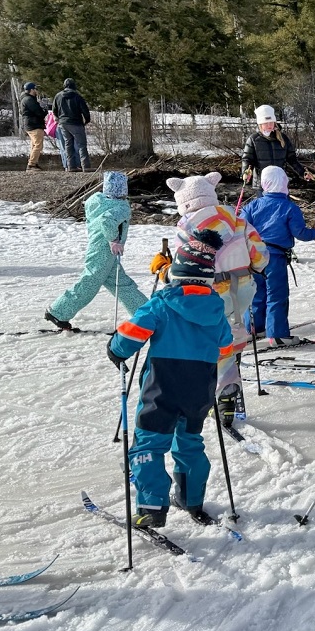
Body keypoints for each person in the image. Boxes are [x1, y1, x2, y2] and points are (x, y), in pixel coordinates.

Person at [107, 225, 235, 526]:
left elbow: (131, 334)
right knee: (189, 441)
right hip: (199, 387)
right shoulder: (215, 309)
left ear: (176, 273)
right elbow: (226, 346)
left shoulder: (163, 303)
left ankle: (152, 506)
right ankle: (191, 498)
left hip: (162, 386)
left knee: (149, 444)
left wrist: (115, 349)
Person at [162, 172, 269, 430]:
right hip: (242, 288)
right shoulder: (239, 221)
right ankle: (229, 370)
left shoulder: (187, 227)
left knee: (210, 339)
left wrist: (163, 269)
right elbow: (260, 256)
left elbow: (182, 272)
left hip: (208, 293)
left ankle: (222, 388)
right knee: (231, 330)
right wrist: (251, 267)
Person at [45, 171, 148, 330]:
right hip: (104, 251)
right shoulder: (121, 206)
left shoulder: (96, 200)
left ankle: (147, 313)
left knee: (121, 284)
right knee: (90, 283)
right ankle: (58, 312)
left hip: (98, 248)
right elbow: (107, 220)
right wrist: (114, 240)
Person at [241, 166, 315, 347]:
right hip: (275, 257)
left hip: (254, 256)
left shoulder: (252, 206)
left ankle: (253, 329)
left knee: (255, 292)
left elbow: (240, 228)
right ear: (283, 183)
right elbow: (300, 233)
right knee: (276, 294)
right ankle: (278, 334)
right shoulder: (289, 207)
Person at [241, 105, 312, 182]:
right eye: (266, 123)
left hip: (280, 182)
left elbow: (292, 159)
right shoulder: (253, 139)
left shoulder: (283, 138)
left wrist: (303, 172)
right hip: (261, 183)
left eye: (271, 122)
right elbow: (247, 159)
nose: (269, 125)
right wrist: (246, 172)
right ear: (260, 124)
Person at [52, 77, 92, 172]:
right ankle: (85, 166)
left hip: (63, 123)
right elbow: (85, 110)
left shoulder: (58, 96)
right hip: (76, 123)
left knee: (68, 145)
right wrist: (86, 120)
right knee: (81, 145)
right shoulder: (77, 96)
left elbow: (54, 110)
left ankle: (71, 166)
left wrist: (59, 119)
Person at [21, 82, 47, 171]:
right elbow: (39, 112)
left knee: (34, 145)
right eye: (36, 89)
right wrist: (44, 110)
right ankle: (31, 164)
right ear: (32, 90)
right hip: (34, 125)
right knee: (38, 145)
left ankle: (34, 163)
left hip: (30, 124)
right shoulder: (29, 100)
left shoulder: (26, 99)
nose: (37, 91)